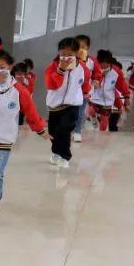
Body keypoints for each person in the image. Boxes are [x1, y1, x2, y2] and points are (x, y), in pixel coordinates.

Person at [0, 49, 48, 224]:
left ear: (10, 68)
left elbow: (31, 111)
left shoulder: (18, 90)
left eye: (2, 67)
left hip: (4, 139)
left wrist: (40, 129)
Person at [43, 36, 91, 169]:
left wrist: (87, 92)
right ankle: (56, 153)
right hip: (55, 105)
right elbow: (51, 85)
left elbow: (85, 83)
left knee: (64, 130)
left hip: (73, 105)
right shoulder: (52, 67)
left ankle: (65, 156)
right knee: (54, 131)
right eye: (63, 54)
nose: (66, 57)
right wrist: (61, 70)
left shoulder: (83, 69)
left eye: (70, 54)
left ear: (77, 53)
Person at [72, 34, 103, 143]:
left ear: (88, 48)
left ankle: (77, 132)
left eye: (84, 47)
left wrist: (96, 80)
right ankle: (69, 130)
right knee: (70, 112)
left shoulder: (92, 61)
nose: (81, 49)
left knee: (80, 112)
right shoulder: (71, 59)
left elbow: (98, 73)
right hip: (70, 91)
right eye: (78, 47)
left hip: (84, 92)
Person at [89, 50, 128, 132]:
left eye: (105, 63)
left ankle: (102, 135)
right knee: (91, 110)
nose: (103, 65)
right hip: (96, 97)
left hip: (108, 100)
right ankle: (93, 119)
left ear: (110, 62)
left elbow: (122, 85)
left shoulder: (117, 71)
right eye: (101, 63)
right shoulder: (95, 68)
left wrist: (126, 97)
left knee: (104, 120)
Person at [10, 61, 29, 126]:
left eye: (24, 74)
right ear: (14, 74)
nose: (21, 76)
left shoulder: (26, 83)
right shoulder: (9, 84)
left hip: (21, 110)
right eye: (19, 74)